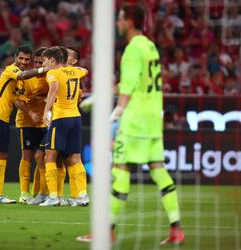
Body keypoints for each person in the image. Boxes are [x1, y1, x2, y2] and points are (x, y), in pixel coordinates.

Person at [77, 5, 185, 244]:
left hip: (134, 121)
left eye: (120, 19)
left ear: (130, 22)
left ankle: (107, 231)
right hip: (152, 119)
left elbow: (127, 88)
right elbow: (134, 81)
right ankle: (176, 229)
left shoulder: (131, 50)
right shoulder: (149, 46)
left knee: (120, 171)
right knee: (158, 170)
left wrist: (116, 112)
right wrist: (101, 96)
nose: (117, 23)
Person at [0, 45, 48, 205]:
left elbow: (16, 100)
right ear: (16, 58)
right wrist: (43, 70)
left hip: (4, 119)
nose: (23, 61)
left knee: (2, 156)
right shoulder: (11, 70)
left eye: (26, 59)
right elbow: (22, 75)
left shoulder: (20, 82)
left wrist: (30, 112)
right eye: (21, 58)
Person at [39, 47, 89, 207]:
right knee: (75, 158)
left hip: (60, 119)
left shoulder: (53, 73)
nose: (44, 64)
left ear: (53, 61)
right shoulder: (75, 71)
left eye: (45, 61)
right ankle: (81, 195)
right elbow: (85, 71)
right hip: (75, 118)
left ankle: (53, 197)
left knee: (50, 156)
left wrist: (47, 110)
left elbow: (53, 87)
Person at [16, 47, 49, 203]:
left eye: (40, 62)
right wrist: (32, 110)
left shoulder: (50, 77)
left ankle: (41, 192)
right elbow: (19, 100)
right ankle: (24, 193)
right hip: (26, 121)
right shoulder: (27, 77)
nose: (36, 65)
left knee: (41, 157)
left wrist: (43, 98)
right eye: (35, 62)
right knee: (27, 157)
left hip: (43, 122)